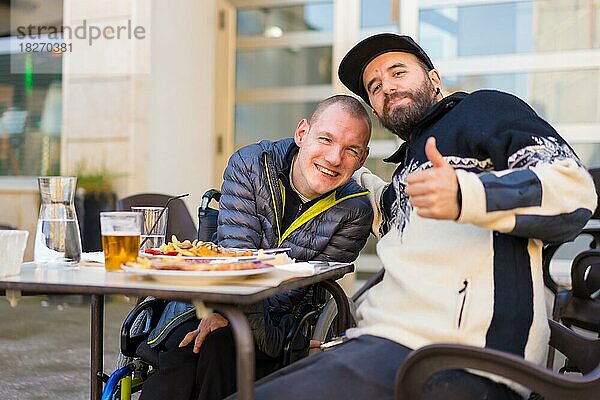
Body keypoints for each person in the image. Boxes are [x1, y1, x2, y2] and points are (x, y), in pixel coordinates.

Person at [225, 33, 598, 400]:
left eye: (398, 72)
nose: (385, 86)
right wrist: (321, 158)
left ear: (434, 80)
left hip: (456, 357)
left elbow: (573, 190)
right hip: (379, 345)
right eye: (374, 85)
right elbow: (378, 200)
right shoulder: (408, 170)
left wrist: (466, 194)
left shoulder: (483, 110)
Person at [139, 94, 374, 400]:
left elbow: (300, 290)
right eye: (325, 139)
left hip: (279, 325)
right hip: (208, 301)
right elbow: (238, 260)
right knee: (191, 351)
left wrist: (237, 322)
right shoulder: (251, 165)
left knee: (216, 346)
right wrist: (224, 313)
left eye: (350, 151)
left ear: (363, 159)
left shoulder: (355, 211)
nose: (333, 158)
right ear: (302, 133)